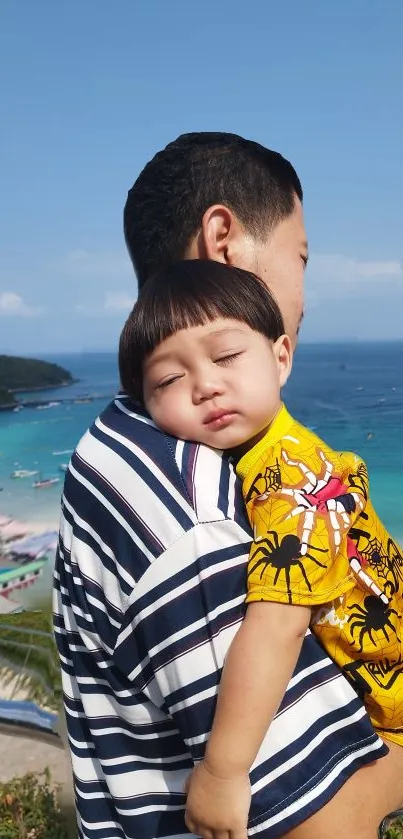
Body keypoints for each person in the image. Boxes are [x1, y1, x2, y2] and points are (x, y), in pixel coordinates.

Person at [53, 132, 403, 839]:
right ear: (224, 239)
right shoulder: (188, 510)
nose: (303, 297)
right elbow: (316, 822)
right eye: (300, 258)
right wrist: (223, 770)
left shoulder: (150, 441)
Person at [119, 259, 403, 839]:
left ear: (281, 356)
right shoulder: (245, 460)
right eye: (168, 381)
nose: (206, 384)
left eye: (226, 357)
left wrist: (223, 771)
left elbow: (277, 626)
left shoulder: (292, 477)